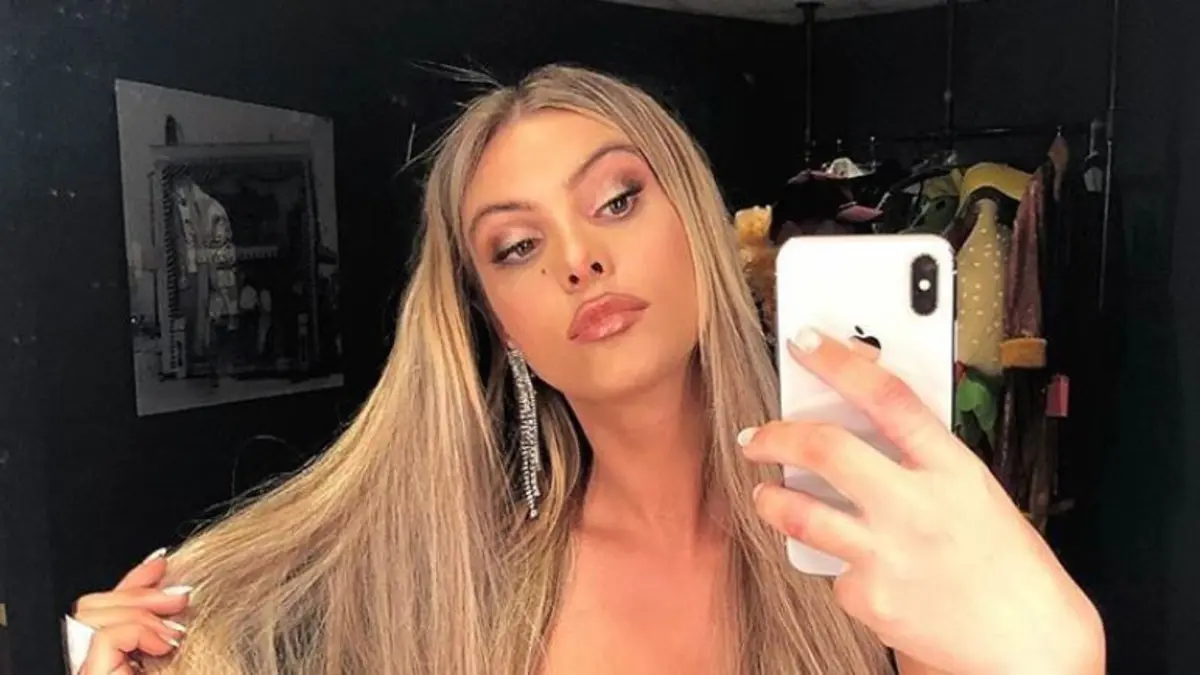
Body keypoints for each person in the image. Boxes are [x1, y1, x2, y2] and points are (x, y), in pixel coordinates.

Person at [66, 65, 1104, 675]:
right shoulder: (452, 598)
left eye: (616, 200)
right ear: (502, 326)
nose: (578, 258)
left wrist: (1057, 658)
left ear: (697, 229)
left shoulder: (876, 553)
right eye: (517, 246)